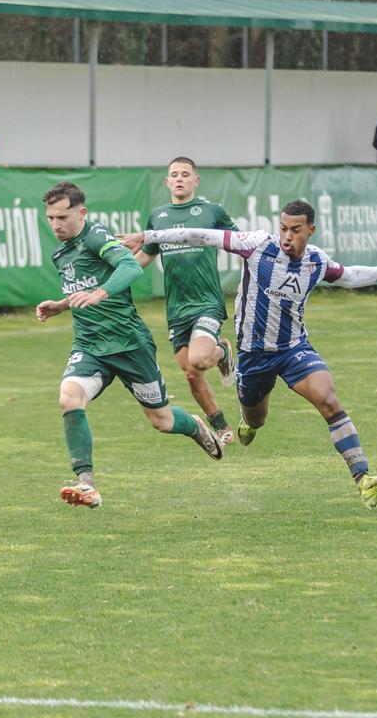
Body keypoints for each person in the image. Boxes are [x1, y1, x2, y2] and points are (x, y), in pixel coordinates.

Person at [120, 200, 377, 508]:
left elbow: (352, 276)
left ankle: (364, 480)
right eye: (283, 228)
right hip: (254, 357)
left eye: (295, 230)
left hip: (294, 349)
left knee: (329, 401)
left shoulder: (317, 262)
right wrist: (148, 237)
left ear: (311, 230)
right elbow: (202, 236)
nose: (286, 236)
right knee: (256, 418)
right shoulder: (256, 245)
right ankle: (248, 422)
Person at [36, 181, 224, 509]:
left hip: (129, 345)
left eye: (63, 217)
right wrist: (62, 304)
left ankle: (193, 425)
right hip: (90, 344)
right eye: (51, 218)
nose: (56, 225)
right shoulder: (61, 253)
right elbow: (85, 286)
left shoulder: (96, 237)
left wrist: (101, 293)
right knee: (69, 398)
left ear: (82, 213)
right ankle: (86, 484)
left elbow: (130, 265)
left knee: (162, 421)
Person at [131, 157, 240, 445]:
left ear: (196, 181)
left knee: (200, 359)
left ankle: (223, 351)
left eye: (185, 174)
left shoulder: (210, 211)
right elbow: (145, 254)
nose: (179, 179)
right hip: (177, 308)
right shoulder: (158, 217)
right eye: (174, 175)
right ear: (167, 182)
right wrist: (115, 278)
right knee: (192, 374)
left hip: (207, 301)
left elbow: (240, 241)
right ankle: (219, 424)